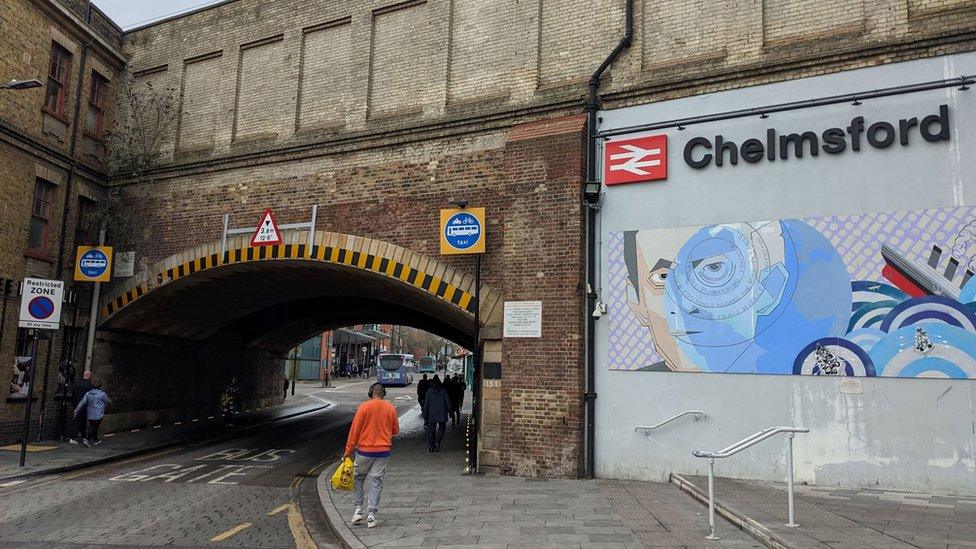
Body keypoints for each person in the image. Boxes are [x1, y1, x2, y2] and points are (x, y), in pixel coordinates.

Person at [344, 382, 400, 529]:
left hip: (364, 451)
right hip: (383, 452)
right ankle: (371, 515)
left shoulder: (363, 407)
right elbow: (396, 431)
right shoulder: (391, 408)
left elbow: (354, 431)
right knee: (376, 482)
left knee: (358, 478)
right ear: (384, 393)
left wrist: (348, 451)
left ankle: (357, 510)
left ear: (371, 393)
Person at [73, 378, 112, 448]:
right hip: (98, 414)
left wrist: (76, 410)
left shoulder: (88, 394)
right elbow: (107, 401)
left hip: (90, 414)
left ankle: (96, 440)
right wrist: (111, 403)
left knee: (93, 426)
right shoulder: (102, 394)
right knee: (94, 427)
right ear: (100, 385)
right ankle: (87, 440)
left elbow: (82, 402)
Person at [421, 375, 451, 452]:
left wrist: (425, 416)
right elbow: (448, 402)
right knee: (442, 428)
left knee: (431, 430)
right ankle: (437, 441)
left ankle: (431, 446)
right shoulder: (443, 391)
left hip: (432, 414)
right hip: (442, 413)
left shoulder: (429, 392)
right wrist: (451, 412)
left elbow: (426, 405)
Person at [69, 370, 93, 444]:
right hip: (84, 406)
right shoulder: (89, 385)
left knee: (82, 422)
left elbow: (73, 395)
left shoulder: (76, 383)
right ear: (89, 376)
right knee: (78, 421)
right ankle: (72, 438)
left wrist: (73, 404)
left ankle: (84, 437)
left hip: (76, 404)